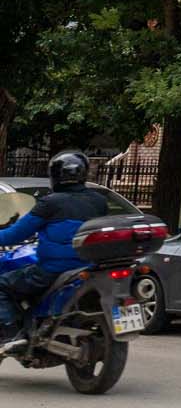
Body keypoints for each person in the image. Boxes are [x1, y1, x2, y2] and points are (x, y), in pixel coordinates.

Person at [0, 150, 118, 353]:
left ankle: (11, 335)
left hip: (54, 269)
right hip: (90, 267)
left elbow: (16, 234)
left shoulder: (50, 203)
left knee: (2, 286)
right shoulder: (99, 201)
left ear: (55, 176)